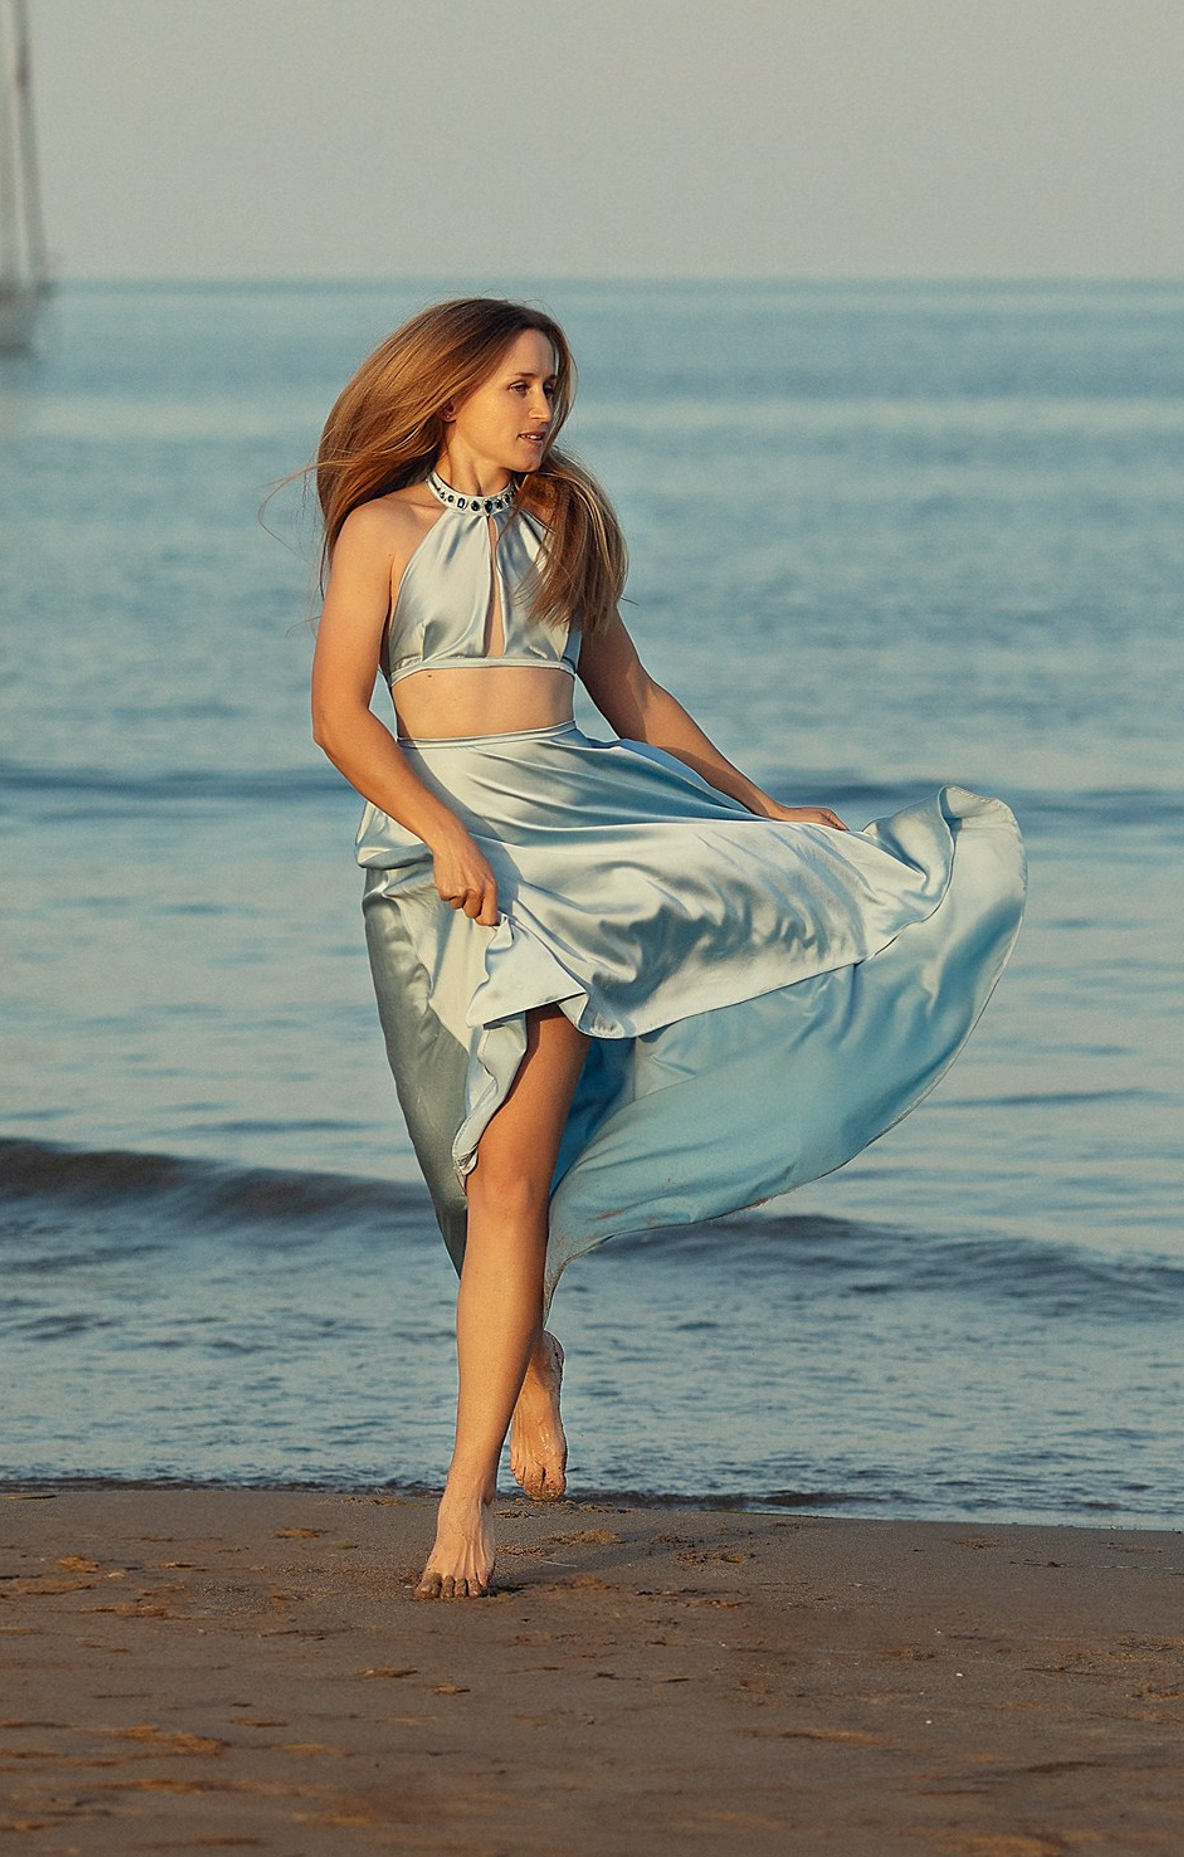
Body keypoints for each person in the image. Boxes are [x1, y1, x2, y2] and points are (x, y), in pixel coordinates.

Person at [305, 298, 1025, 1599]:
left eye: (553, 391)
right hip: (436, 850)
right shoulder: (382, 531)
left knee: (511, 1175)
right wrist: (440, 828)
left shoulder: (562, 526)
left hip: (574, 854)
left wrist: (760, 809)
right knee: (461, 1159)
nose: (546, 412)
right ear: (452, 392)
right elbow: (338, 719)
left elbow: (627, 698)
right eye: (524, 388)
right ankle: (530, 1353)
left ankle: (459, 1504)